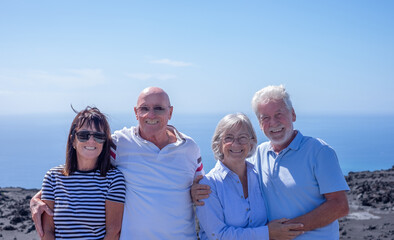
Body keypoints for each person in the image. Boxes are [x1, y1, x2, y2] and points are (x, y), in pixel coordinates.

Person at [31, 87, 204, 239]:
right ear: (136, 112)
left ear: (170, 112)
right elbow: (82, 167)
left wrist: (198, 190)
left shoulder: (190, 148)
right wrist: (38, 197)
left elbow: (200, 185)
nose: (150, 115)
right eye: (144, 108)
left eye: (158, 108)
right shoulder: (119, 143)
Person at [192, 85, 349, 239]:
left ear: (293, 114)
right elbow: (229, 169)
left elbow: (339, 206)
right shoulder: (258, 155)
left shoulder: (319, 151)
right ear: (260, 125)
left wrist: (286, 229)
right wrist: (194, 190)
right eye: (265, 118)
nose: (273, 123)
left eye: (279, 114)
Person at [196, 113, 303, 240]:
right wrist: (267, 233)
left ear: (251, 143)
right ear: (218, 143)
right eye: (229, 138)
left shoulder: (259, 177)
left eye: (242, 137)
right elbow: (218, 236)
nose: (236, 144)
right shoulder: (208, 185)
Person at [40, 106, 126, 240]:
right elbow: (47, 231)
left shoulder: (114, 179)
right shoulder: (53, 177)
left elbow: (113, 232)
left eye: (99, 136)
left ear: (104, 142)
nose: (91, 141)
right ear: (73, 140)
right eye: (83, 135)